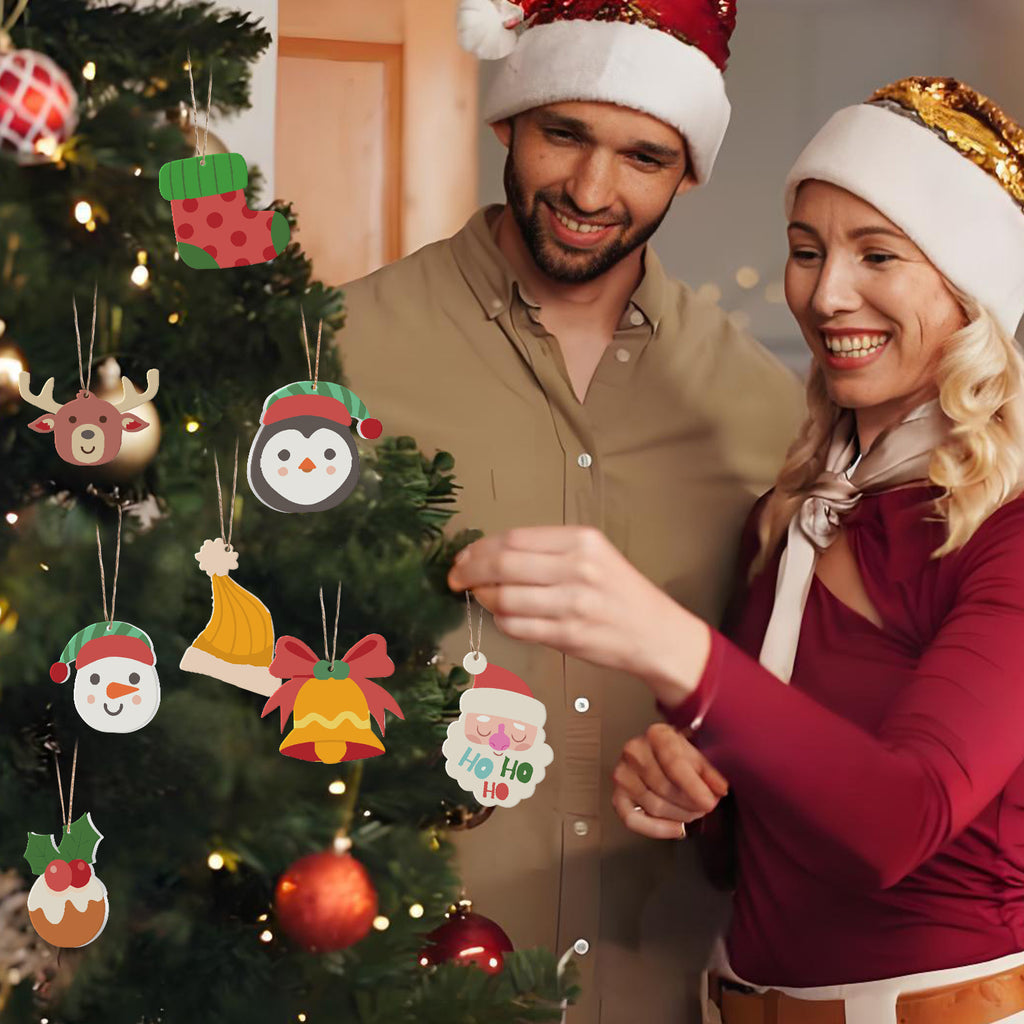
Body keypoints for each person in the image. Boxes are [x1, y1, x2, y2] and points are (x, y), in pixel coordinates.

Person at [447, 75, 1024, 1024]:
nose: (826, 292)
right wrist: (695, 795)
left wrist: (668, 644)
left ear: (969, 290)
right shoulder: (792, 516)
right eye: (806, 251)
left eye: (878, 254)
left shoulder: (1004, 531)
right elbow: (769, 841)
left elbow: (897, 822)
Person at [339, 1, 803, 1019]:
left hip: (665, 979)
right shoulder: (339, 355)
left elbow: (796, 705)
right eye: (565, 135)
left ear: (686, 169)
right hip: (396, 974)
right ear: (508, 121)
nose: (593, 191)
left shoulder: (764, 413)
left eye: (642, 156)